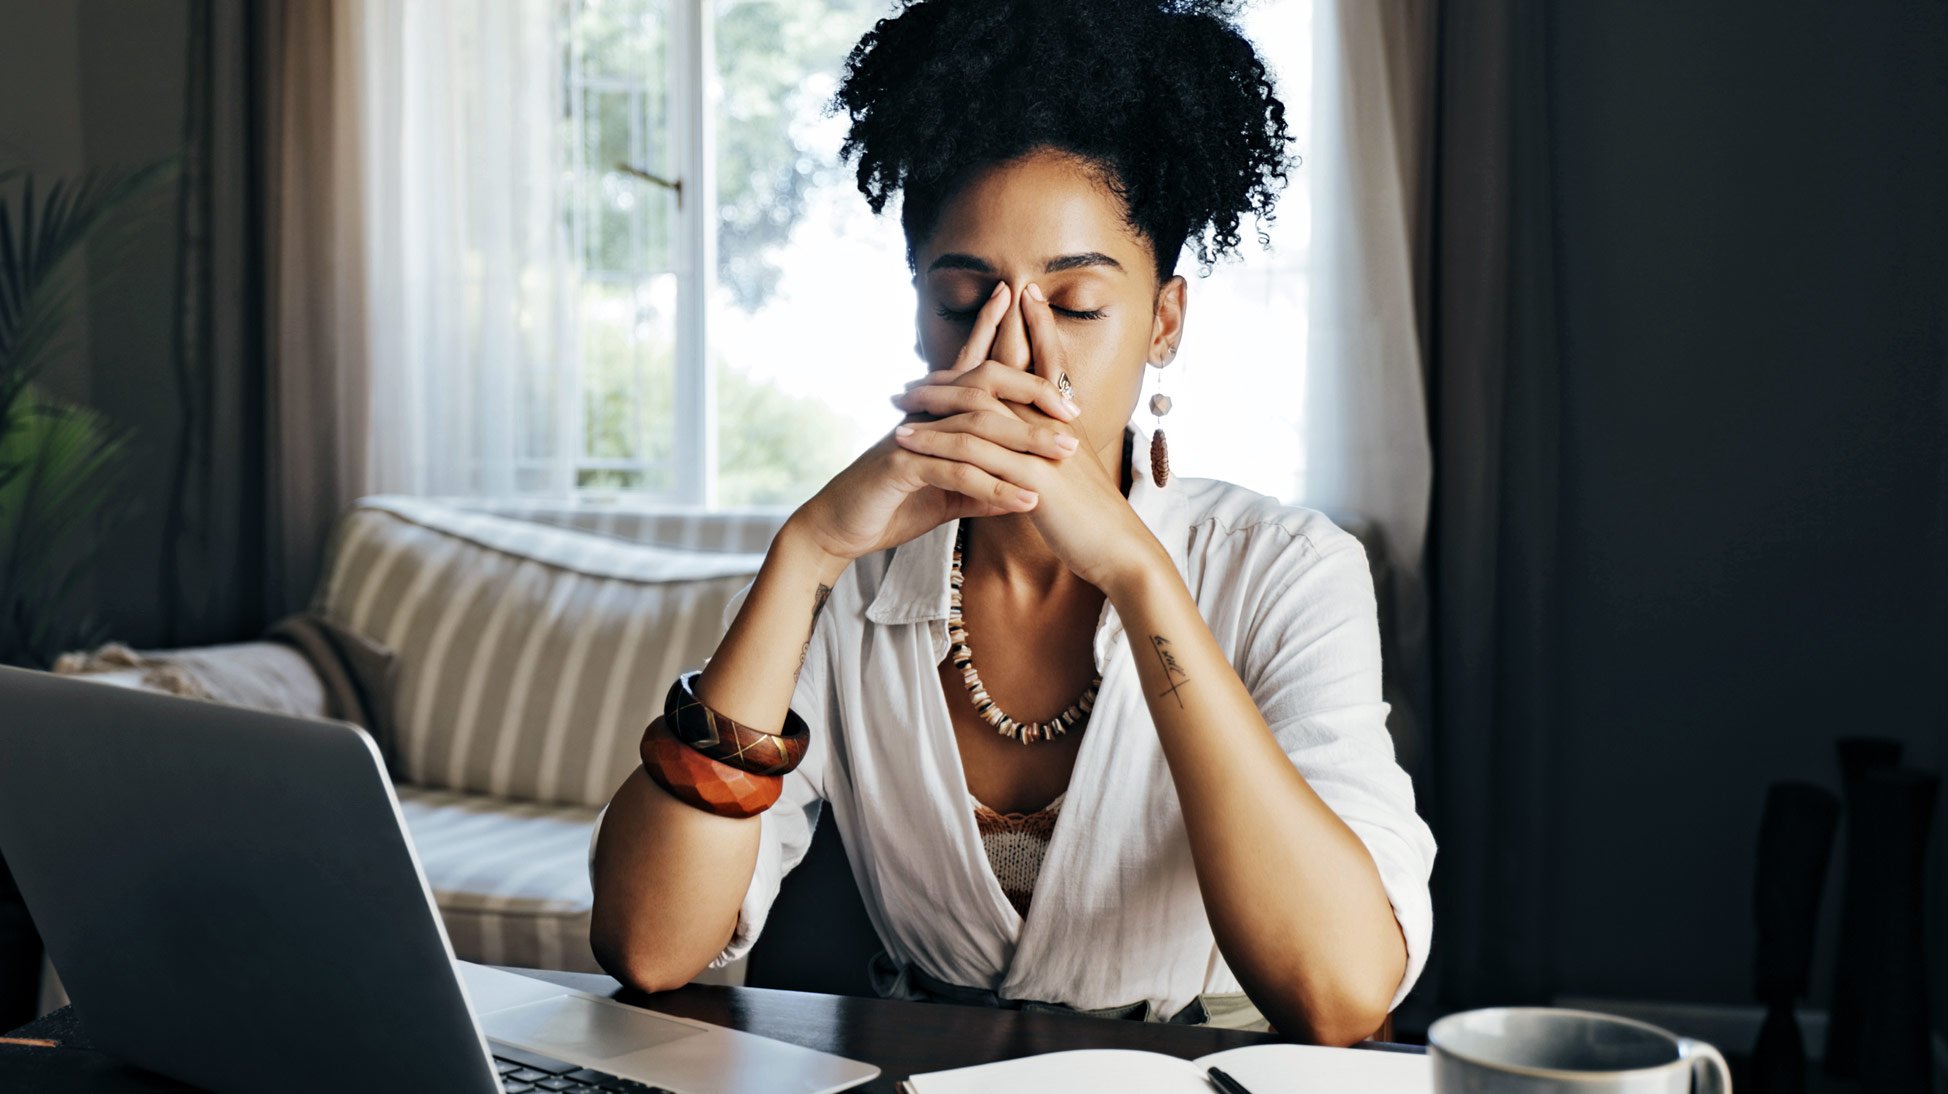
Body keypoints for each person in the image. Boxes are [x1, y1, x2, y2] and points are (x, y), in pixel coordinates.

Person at [589, 0, 1433, 1046]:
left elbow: (1341, 990)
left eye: (1074, 306)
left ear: (1164, 322)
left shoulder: (1290, 569)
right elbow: (650, 943)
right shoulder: (846, 575)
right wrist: (803, 551)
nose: (1017, 358)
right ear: (915, 311)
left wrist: (1137, 571)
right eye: (962, 300)